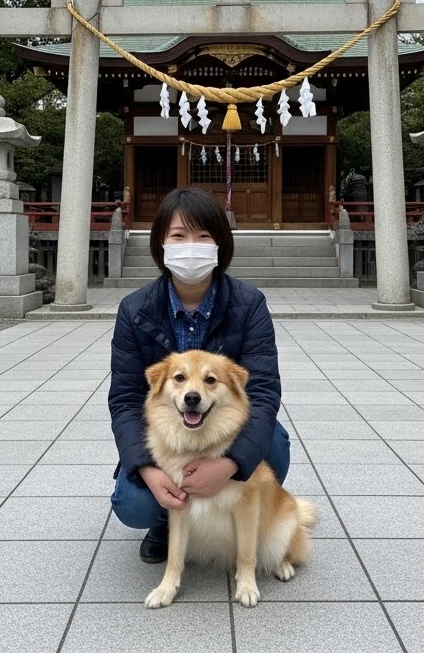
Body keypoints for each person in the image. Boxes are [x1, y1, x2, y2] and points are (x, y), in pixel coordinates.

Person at [108, 187, 290, 562]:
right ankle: (166, 519)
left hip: (227, 429)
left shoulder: (249, 303)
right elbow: (125, 399)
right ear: (161, 243)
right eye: (179, 235)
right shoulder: (134, 309)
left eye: (204, 236)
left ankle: (238, 510)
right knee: (134, 505)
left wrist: (230, 464)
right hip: (168, 437)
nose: (191, 245)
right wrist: (146, 468)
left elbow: (266, 391)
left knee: (272, 449)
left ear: (220, 244)